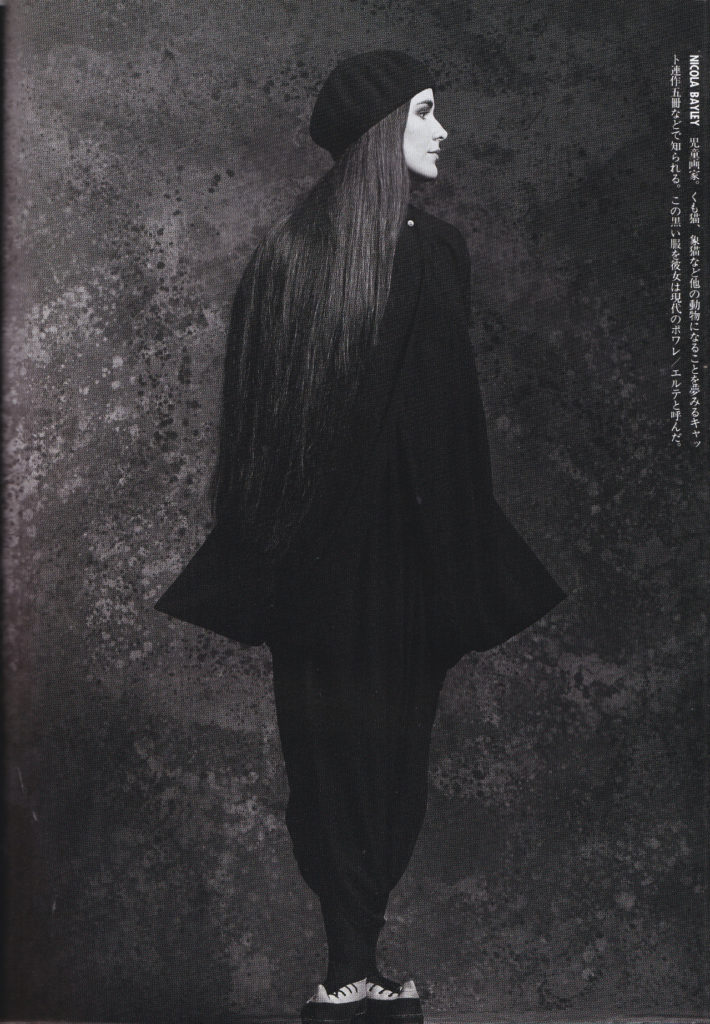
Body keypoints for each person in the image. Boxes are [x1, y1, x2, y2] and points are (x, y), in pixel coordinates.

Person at [155, 51, 566, 1024]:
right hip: (328, 566)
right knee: (339, 759)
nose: (442, 131)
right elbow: (262, 435)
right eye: (423, 112)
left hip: (404, 562)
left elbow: (450, 423)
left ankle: (356, 968)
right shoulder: (298, 259)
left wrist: (457, 555)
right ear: (381, 132)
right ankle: (348, 972)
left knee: (383, 759)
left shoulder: (429, 252)